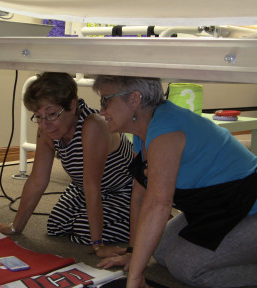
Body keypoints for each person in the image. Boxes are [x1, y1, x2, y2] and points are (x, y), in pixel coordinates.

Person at [92, 75, 257, 288]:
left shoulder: (167, 128)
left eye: (106, 100)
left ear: (135, 99)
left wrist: (134, 277)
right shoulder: (144, 128)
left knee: (187, 267)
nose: (101, 111)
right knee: (158, 248)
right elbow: (140, 196)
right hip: (216, 208)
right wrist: (132, 254)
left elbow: (158, 204)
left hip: (248, 207)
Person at [0, 72, 134, 257]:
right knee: (56, 225)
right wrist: (15, 227)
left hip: (124, 190)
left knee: (83, 230)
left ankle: (145, 220)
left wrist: (98, 245)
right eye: (38, 116)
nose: (45, 124)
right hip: (82, 188)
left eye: (52, 114)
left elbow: (92, 186)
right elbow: (37, 180)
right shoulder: (47, 129)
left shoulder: (93, 126)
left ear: (72, 105)